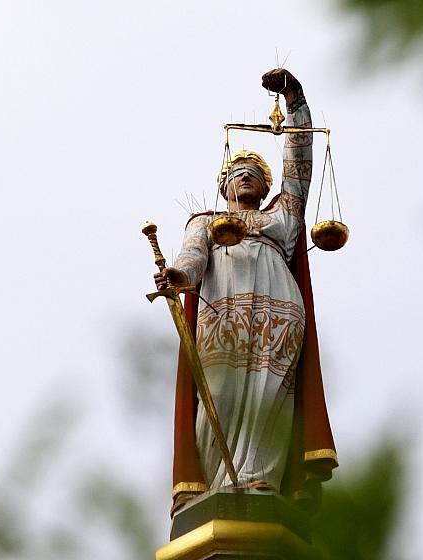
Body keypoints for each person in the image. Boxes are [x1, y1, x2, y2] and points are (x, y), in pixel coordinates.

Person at [154, 69, 337, 516]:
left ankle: (261, 476)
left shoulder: (284, 217)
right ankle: (213, 480)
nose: (247, 177)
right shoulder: (206, 222)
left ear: (267, 185)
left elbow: (300, 164)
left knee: (270, 394)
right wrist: (177, 276)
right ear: (225, 185)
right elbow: (192, 258)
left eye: (255, 173)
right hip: (223, 312)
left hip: (278, 314)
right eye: (239, 173)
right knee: (220, 391)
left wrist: (295, 101)